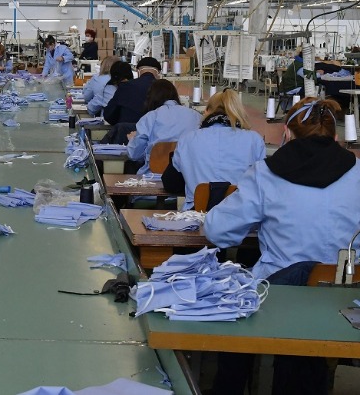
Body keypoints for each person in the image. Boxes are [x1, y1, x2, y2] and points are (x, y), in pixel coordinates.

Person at [204, 97, 360, 395]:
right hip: (345, 299)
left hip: (277, 297)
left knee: (232, 302)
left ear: (286, 133)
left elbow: (217, 231)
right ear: (336, 137)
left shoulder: (265, 174)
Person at [163, 89, 266, 210]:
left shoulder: (187, 139)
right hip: (240, 215)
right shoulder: (254, 140)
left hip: (197, 213)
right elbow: (262, 183)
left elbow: (170, 183)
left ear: (206, 111)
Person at [127, 79, 201, 175]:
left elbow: (134, 154)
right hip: (188, 176)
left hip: (153, 175)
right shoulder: (197, 116)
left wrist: (132, 140)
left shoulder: (150, 117)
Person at [103, 56, 161, 127]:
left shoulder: (125, 86)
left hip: (127, 131)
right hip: (156, 132)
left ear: (138, 71)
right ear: (158, 73)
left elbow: (109, 114)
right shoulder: (165, 89)